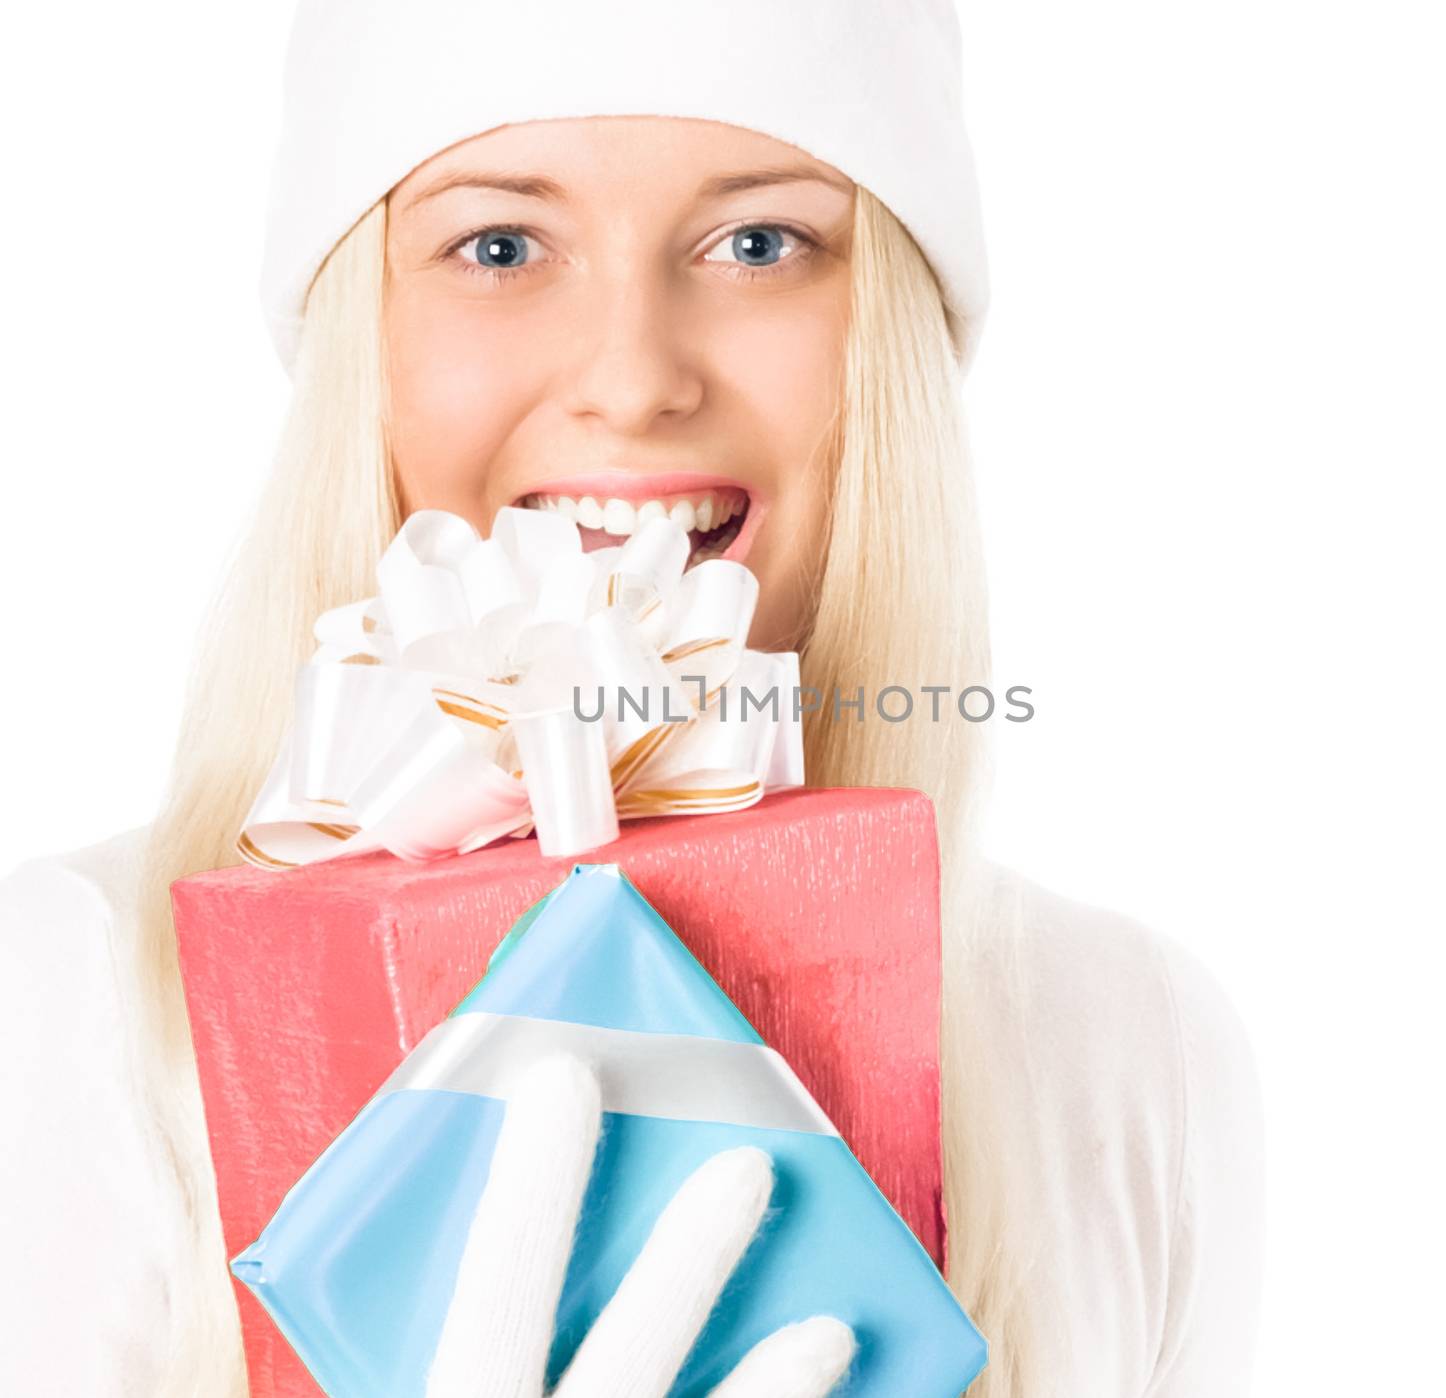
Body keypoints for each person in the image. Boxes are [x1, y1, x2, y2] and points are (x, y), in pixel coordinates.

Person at [0, 1, 1264, 1394]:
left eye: (758, 243)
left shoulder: (1124, 1044)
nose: (633, 377)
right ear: (366, 333)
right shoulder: (58, 1008)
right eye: (498, 246)